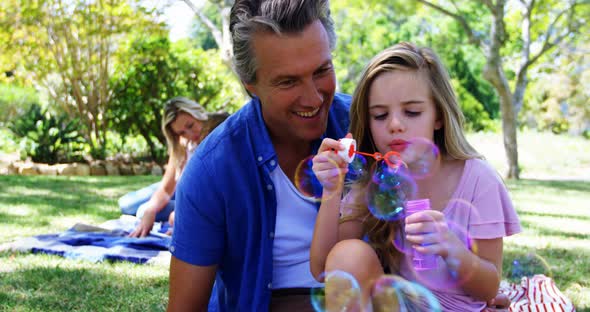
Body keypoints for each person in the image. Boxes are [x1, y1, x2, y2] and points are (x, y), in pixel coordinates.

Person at [309, 42, 522, 311]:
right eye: (380, 115)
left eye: (412, 112)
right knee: (349, 253)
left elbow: (490, 286)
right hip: (400, 304)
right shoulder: (378, 179)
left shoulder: (478, 179)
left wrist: (451, 248)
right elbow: (325, 268)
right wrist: (332, 189)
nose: (395, 124)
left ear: (438, 116)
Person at [167, 1, 350, 311]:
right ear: (250, 86)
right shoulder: (212, 171)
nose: (314, 98)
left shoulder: (370, 124)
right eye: (288, 81)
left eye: (321, 71)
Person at [119, 97, 228, 238]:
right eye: (181, 132)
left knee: (142, 211)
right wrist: (151, 210)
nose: (189, 135)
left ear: (198, 114)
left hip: (201, 195)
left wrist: (183, 216)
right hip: (182, 188)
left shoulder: (219, 133)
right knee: (128, 205)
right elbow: (166, 188)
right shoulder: (183, 144)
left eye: (190, 125)